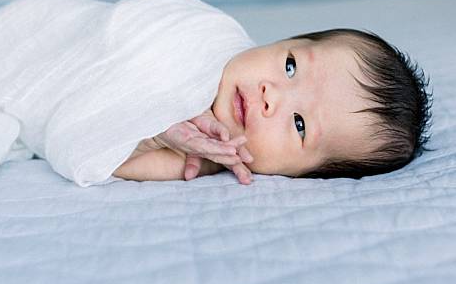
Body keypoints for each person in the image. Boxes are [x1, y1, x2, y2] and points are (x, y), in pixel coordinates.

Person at [112, 28, 433, 184]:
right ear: (283, 41)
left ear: (300, 174)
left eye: (299, 125)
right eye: (290, 66)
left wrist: (156, 137)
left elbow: (103, 156)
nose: (271, 96)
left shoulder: (199, 157)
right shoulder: (204, 36)